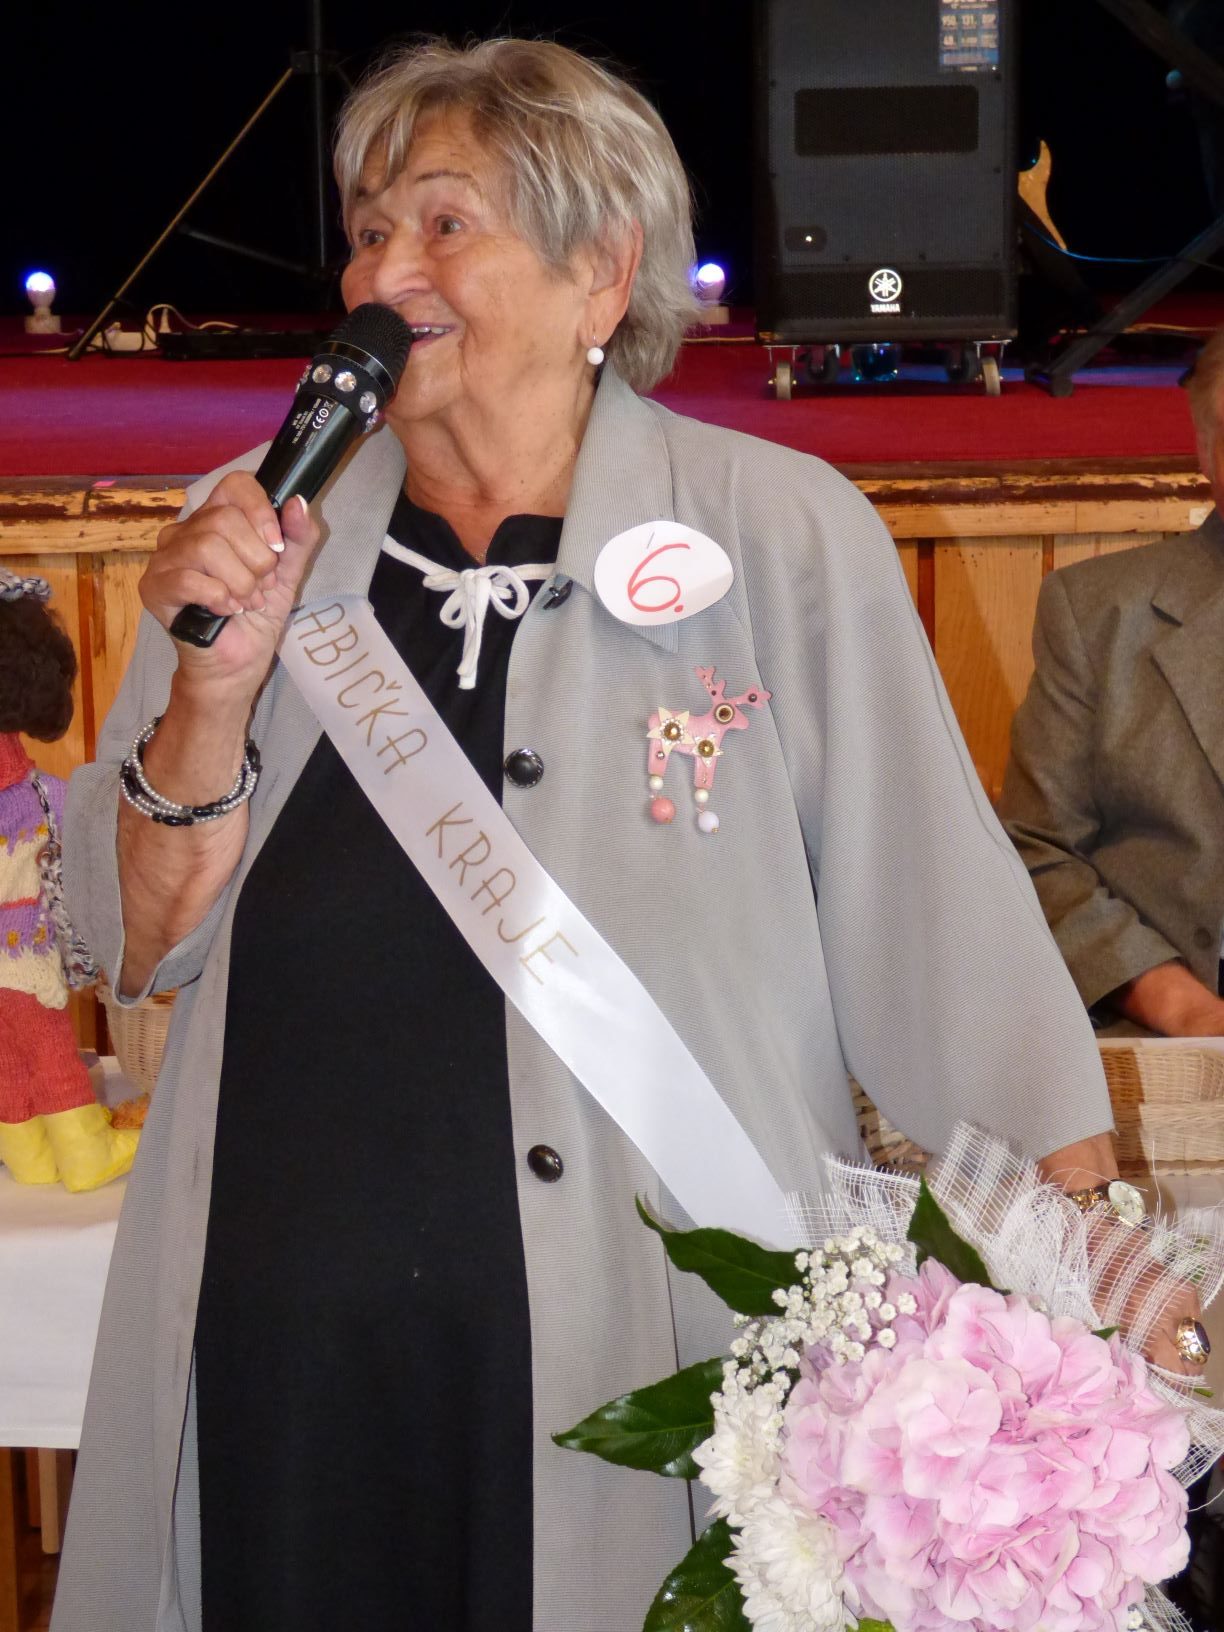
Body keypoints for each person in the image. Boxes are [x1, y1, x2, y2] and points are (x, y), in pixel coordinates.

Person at [53, 37, 1197, 1632]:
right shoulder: (253, 528)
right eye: (369, 231)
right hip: (287, 1341)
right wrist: (207, 690)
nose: (384, 273)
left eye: (444, 224)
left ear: (602, 270)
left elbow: (932, 915)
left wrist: (1083, 1280)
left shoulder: (777, 534)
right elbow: (135, 941)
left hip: (653, 1347)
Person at [999, 327, 1224, 1037]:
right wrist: (1181, 1005)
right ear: (1206, 449)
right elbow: (1037, 849)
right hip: (1171, 1034)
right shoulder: (1097, 614)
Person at [0, 568, 137, 1190]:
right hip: (22, 952)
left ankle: (30, 1156)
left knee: (8, 1054)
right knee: (48, 1042)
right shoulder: (33, 796)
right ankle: (85, 1153)